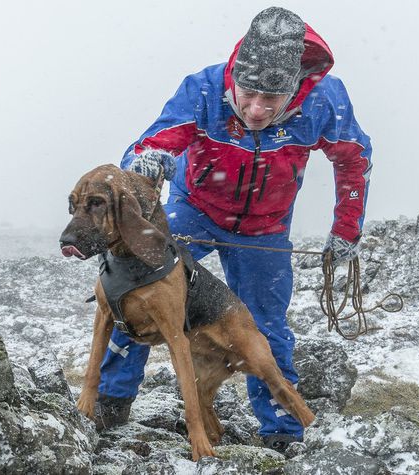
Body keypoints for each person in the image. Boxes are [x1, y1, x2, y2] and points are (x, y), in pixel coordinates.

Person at [95, 6, 372, 452]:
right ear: (233, 77)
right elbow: (152, 142)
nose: (256, 110)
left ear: (295, 89)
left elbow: (353, 160)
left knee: (266, 327)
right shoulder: (203, 88)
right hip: (194, 210)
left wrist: (346, 230)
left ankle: (281, 430)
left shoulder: (324, 101)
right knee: (136, 293)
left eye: (272, 100)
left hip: (266, 228)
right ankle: (112, 400)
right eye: (248, 94)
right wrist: (146, 164)